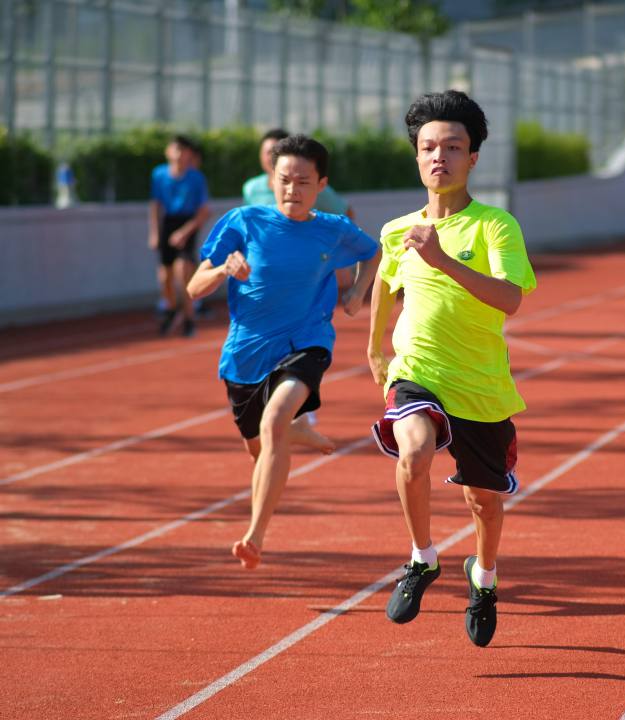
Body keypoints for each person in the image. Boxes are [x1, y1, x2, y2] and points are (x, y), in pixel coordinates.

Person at [368, 90, 536, 647]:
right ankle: (422, 558)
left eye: (453, 146)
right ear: (417, 157)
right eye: (428, 147)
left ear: (473, 158)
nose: (440, 156)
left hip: (482, 385)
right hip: (417, 369)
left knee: (483, 501)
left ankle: (483, 578)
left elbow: (510, 299)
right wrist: (375, 349)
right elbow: (384, 289)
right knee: (413, 451)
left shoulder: (495, 226)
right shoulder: (397, 230)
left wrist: (441, 260)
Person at [187, 134, 381, 570]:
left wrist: (355, 297)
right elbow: (193, 287)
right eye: (285, 180)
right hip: (245, 354)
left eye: (303, 182)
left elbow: (375, 252)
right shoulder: (243, 222)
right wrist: (223, 269)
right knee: (259, 449)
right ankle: (295, 433)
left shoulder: (332, 229)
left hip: (305, 343)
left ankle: (254, 536)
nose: (292, 190)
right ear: (271, 180)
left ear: (321, 185)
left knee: (275, 420)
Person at [243, 128, 359, 298]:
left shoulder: (315, 187)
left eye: (276, 151)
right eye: (267, 152)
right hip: (267, 267)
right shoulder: (251, 188)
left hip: (305, 268)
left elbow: (346, 214)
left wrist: (334, 251)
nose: (271, 157)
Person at [149, 135, 210, 337]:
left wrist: (185, 232)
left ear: (189, 155)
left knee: (183, 271)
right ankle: (172, 308)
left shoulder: (196, 178)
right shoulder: (159, 175)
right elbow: (155, 205)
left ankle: (190, 318)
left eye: (183, 151)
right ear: (168, 152)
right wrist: (155, 233)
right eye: (175, 149)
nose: (178, 155)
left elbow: (203, 211)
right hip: (168, 223)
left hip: (187, 222)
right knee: (165, 276)